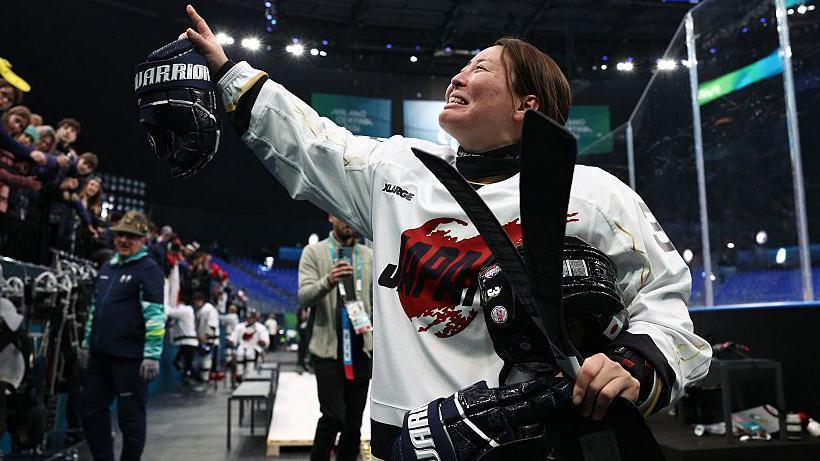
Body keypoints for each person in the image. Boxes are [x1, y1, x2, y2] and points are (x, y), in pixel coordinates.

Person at [183, 6, 711, 460]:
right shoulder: (399, 169)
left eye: (478, 68)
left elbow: (665, 301)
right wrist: (230, 73)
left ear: (525, 105)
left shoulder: (593, 193)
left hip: (534, 443)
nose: (457, 78)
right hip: (405, 438)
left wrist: (635, 364)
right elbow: (312, 142)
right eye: (460, 68)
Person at [78, 210, 164, 461]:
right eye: (120, 235)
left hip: (131, 359)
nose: (123, 240)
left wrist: (152, 354)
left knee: (131, 420)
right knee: (90, 409)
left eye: (130, 236)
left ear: (142, 239)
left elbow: (155, 316)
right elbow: (95, 308)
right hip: (100, 356)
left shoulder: (149, 269)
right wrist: (86, 342)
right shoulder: (108, 266)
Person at [297, 214, 374, 461]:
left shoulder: (369, 255)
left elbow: (377, 303)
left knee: (353, 424)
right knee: (333, 417)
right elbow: (304, 297)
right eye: (341, 215)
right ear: (330, 217)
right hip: (328, 350)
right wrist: (329, 280)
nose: (347, 221)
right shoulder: (314, 252)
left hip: (362, 348)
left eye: (351, 215)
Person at [227, 309, 269, 380]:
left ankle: (250, 373)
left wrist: (263, 342)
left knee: (249, 354)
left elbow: (265, 340)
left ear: (255, 318)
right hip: (242, 346)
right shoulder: (239, 327)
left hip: (255, 347)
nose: (249, 319)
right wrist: (231, 340)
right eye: (248, 318)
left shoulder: (260, 328)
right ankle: (239, 374)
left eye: (251, 318)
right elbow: (233, 337)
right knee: (240, 353)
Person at [192, 290, 219, 383]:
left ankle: (205, 379)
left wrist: (206, 336)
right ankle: (203, 378)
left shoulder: (209, 309)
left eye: (196, 301)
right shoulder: (200, 311)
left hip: (209, 341)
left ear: (200, 300)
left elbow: (212, 325)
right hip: (202, 341)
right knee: (201, 358)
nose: (195, 303)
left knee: (206, 357)